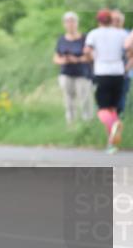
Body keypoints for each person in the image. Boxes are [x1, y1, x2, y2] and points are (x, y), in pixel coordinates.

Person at [84, 9, 128, 154]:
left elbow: (86, 51)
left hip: (102, 71)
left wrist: (93, 60)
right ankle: (112, 142)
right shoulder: (121, 33)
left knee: (102, 109)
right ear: (111, 20)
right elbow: (129, 50)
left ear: (98, 20)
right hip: (118, 72)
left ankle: (114, 125)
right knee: (113, 108)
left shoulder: (94, 33)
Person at [54, 11, 93, 126]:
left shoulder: (85, 38)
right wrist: (64, 60)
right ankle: (71, 124)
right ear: (64, 24)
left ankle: (87, 124)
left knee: (85, 99)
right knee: (68, 101)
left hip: (82, 73)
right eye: (67, 22)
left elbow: (91, 56)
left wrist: (77, 59)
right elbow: (56, 57)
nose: (70, 24)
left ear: (77, 23)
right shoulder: (61, 39)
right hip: (66, 73)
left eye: (72, 21)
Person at [114, 10, 130, 117]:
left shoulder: (128, 34)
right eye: (114, 20)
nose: (116, 22)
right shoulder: (104, 34)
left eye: (118, 20)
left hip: (125, 71)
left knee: (122, 96)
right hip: (106, 72)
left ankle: (118, 118)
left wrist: (126, 69)